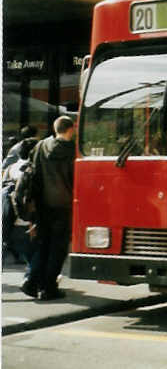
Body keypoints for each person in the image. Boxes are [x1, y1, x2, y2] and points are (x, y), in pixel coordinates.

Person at [23, 115, 75, 301]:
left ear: (55, 129)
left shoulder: (41, 146)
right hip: (64, 205)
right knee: (58, 248)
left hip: (42, 204)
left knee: (42, 244)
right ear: (71, 129)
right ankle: (48, 287)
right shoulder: (72, 150)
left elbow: (32, 174)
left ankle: (31, 281)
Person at [2, 136, 39, 264]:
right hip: (27, 221)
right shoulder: (31, 170)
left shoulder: (10, 168)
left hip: (10, 218)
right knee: (35, 257)